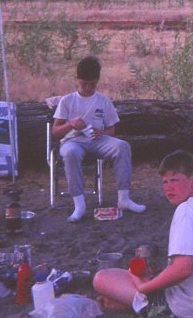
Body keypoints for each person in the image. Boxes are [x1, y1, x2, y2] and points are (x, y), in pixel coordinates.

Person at [93, 151, 193, 318]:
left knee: (102, 278)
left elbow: (183, 269)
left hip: (191, 306)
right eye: (165, 182)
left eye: (174, 180)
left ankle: (136, 303)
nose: (168, 188)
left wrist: (144, 287)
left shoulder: (186, 211)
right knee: (140, 275)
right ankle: (126, 301)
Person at [52, 56, 146, 222]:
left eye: (92, 84)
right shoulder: (67, 101)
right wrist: (71, 124)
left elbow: (112, 129)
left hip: (97, 140)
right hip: (73, 141)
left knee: (123, 146)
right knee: (70, 153)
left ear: (97, 81)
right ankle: (79, 205)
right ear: (77, 80)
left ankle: (124, 198)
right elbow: (55, 131)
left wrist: (101, 133)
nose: (88, 88)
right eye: (84, 84)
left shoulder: (103, 101)